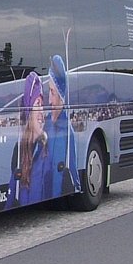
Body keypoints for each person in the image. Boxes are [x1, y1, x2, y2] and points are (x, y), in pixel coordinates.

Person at [6, 71, 51, 208]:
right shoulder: (19, 151)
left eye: (42, 105)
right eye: (37, 104)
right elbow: (13, 193)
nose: (41, 112)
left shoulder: (47, 148)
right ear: (28, 110)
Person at [46, 53, 81, 195]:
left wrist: (76, 188)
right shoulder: (45, 126)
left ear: (61, 97)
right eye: (48, 91)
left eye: (52, 93)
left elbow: (72, 169)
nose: (49, 100)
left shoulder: (67, 132)